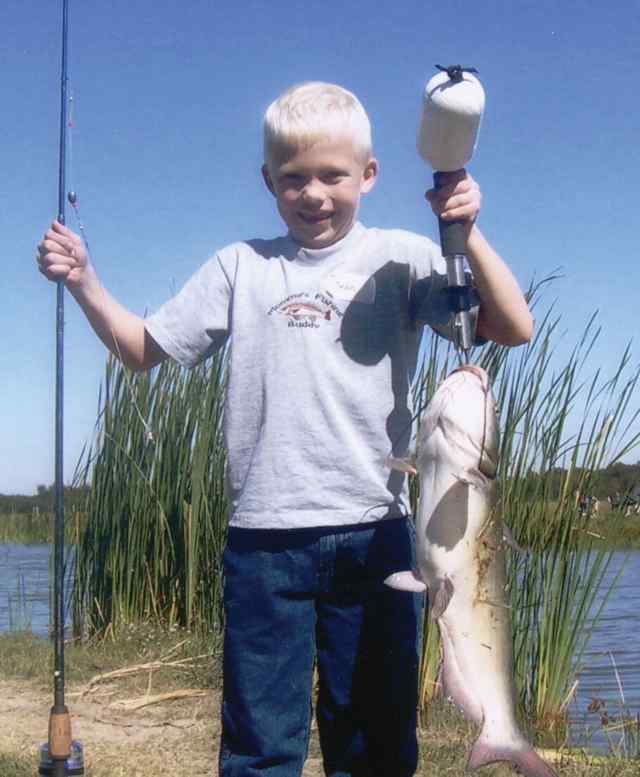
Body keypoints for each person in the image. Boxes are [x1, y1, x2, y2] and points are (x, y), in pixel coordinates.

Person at [37, 81, 533, 777]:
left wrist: (467, 232)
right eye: (294, 178)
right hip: (263, 544)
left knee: (375, 745)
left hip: (378, 538)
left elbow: (512, 326)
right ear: (268, 180)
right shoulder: (240, 267)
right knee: (259, 745)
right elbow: (141, 350)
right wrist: (85, 280)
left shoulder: (404, 257)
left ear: (369, 174)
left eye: (332, 175)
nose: (314, 194)